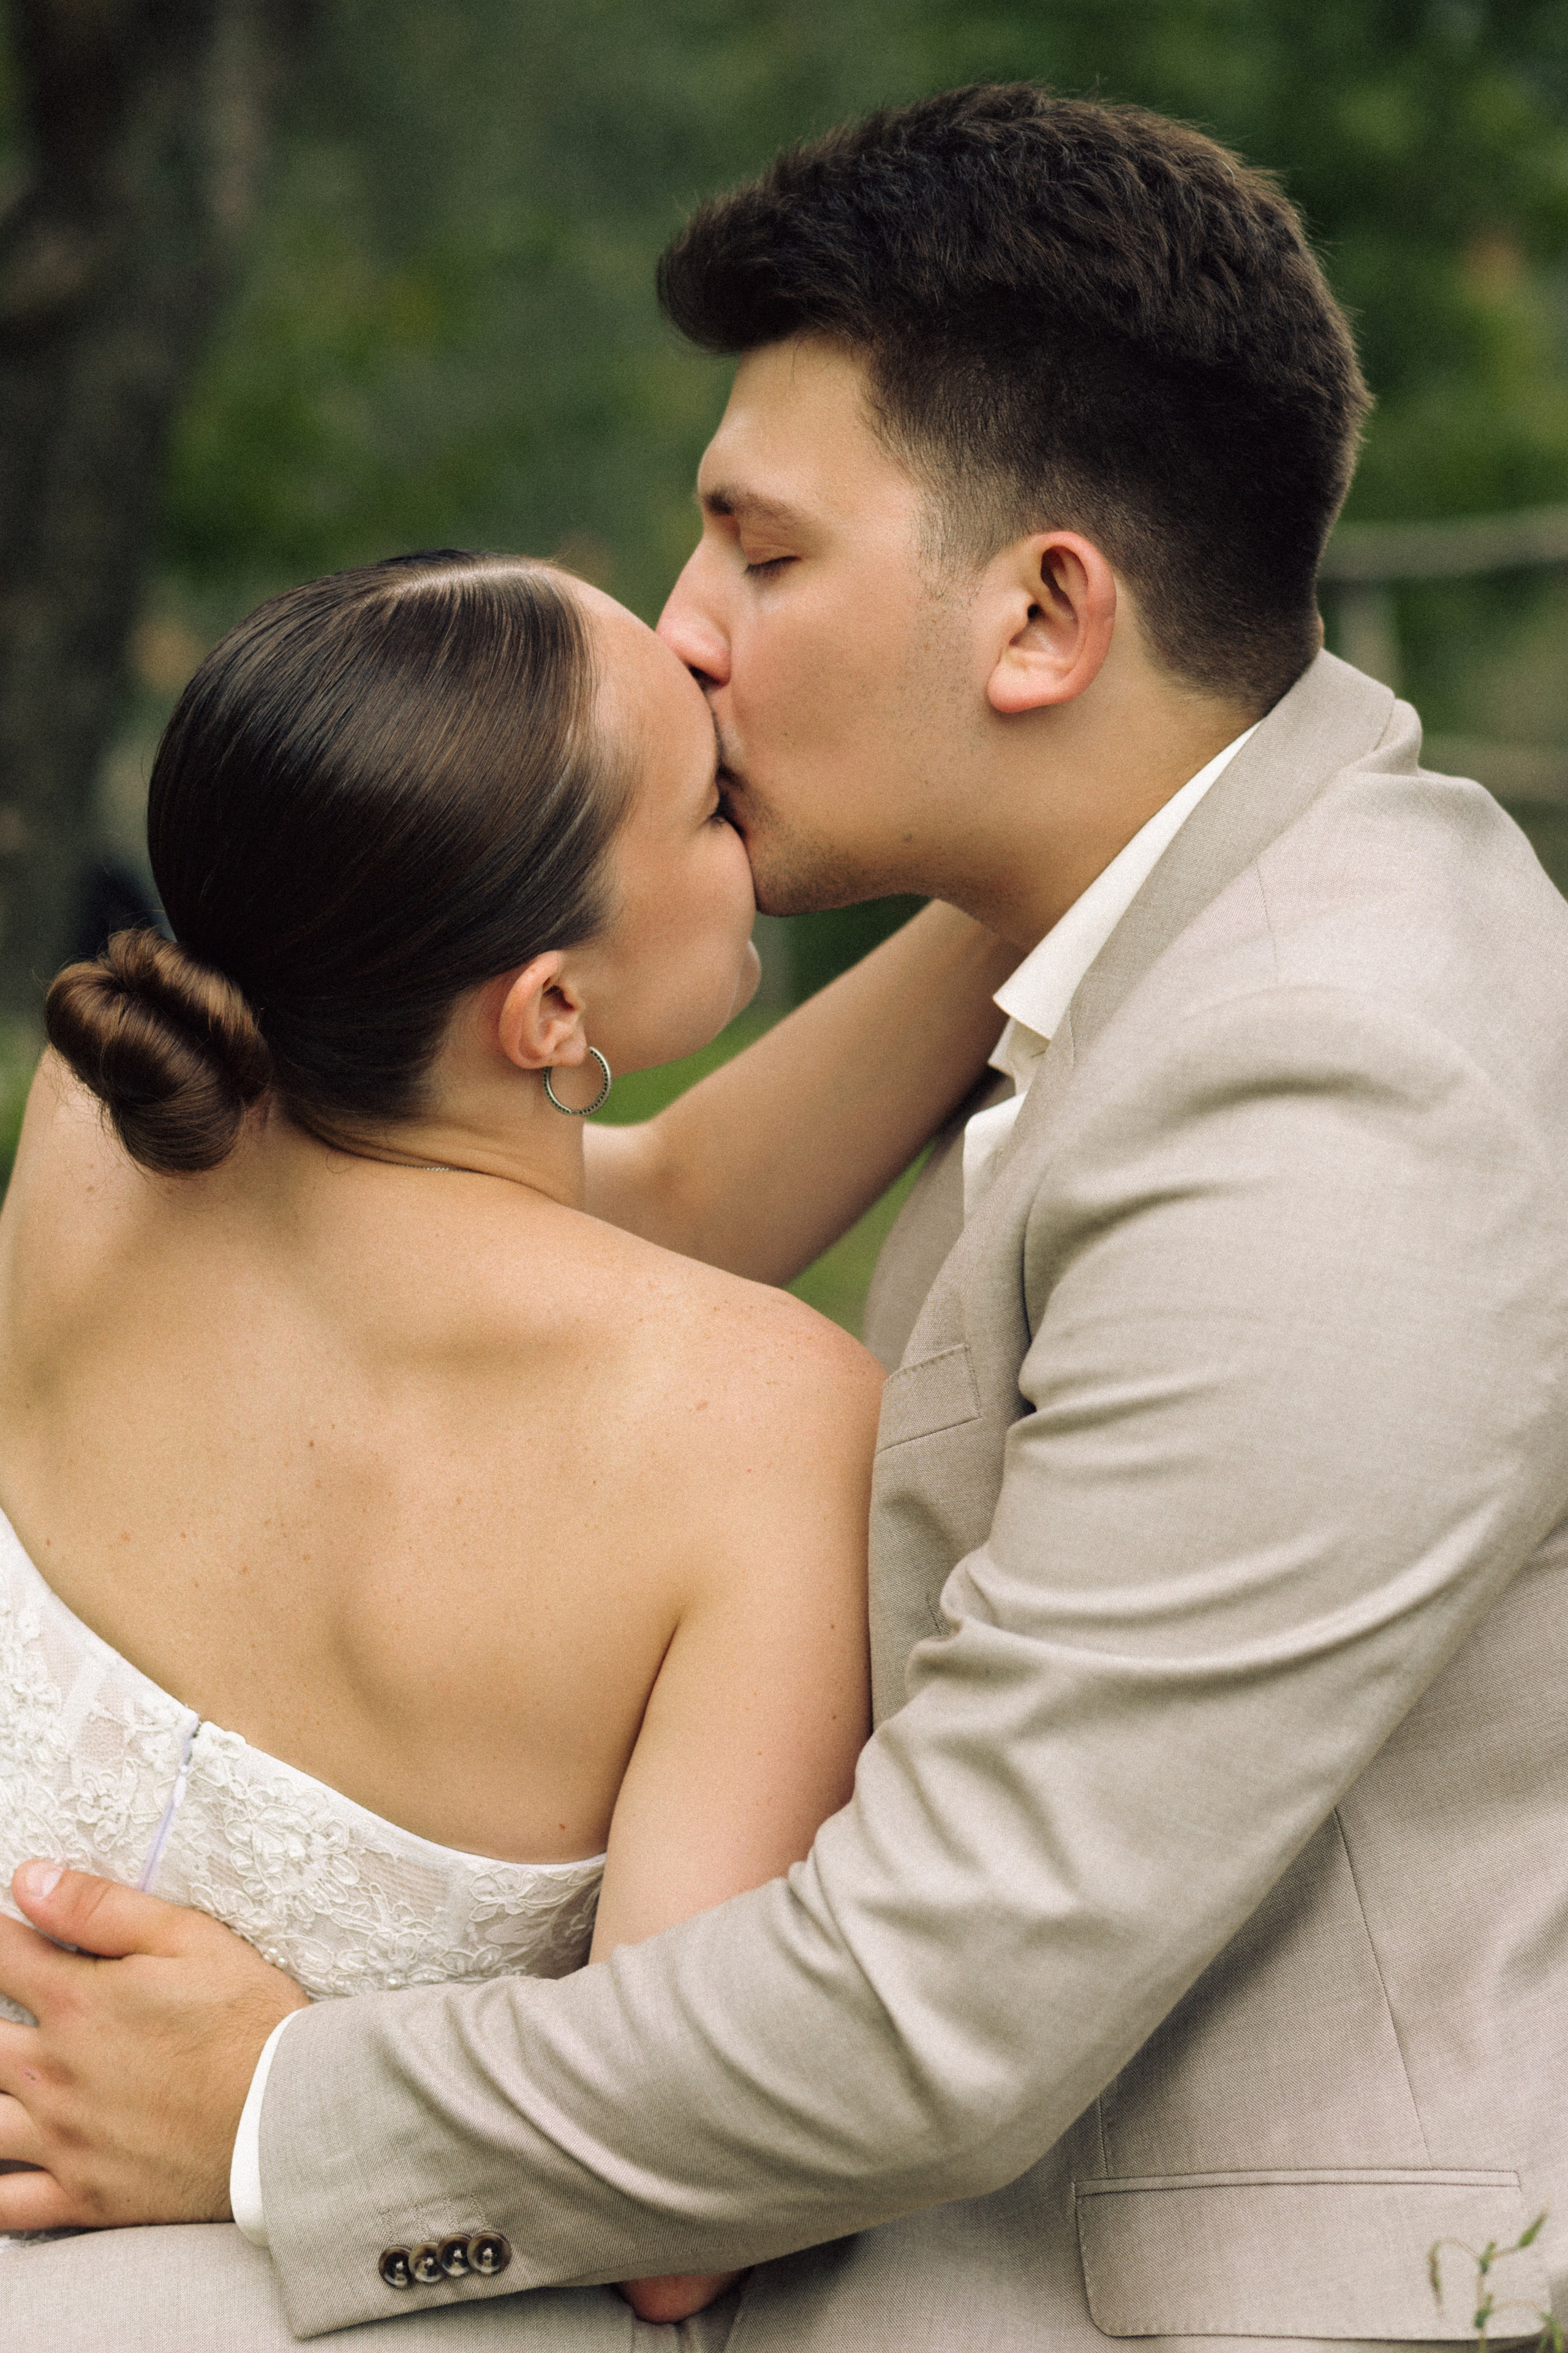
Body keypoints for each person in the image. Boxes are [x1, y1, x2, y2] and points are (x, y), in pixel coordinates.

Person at [3, 81, 1566, 2353]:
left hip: (1097, 2285)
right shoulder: (1164, 900)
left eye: (759, 548)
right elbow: (662, 1204)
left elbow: (928, 2007)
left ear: (1045, 611)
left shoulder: (1349, 1097)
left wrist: (270, 2104)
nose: (688, 631)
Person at [0, 546, 1017, 2330]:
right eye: (710, 801)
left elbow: (678, 1193)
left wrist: (1048, 856)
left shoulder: (103, 1138)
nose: (740, 750)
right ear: (552, 1011)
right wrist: (290, 2089)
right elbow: (688, 2206)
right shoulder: (754, 1427)